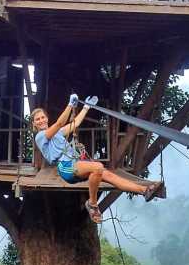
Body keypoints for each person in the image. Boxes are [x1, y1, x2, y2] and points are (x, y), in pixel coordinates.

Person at [32, 95, 163, 224]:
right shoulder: (40, 137)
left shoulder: (58, 133)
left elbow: (75, 123)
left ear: (47, 118)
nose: (41, 120)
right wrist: (70, 105)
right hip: (66, 167)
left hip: (76, 164)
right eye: (37, 119)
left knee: (108, 175)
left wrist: (86, 107)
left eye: (43, 117)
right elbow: (59, 123)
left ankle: (145, 190)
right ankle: (92, 204)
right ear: (34, 124)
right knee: (98, 167)